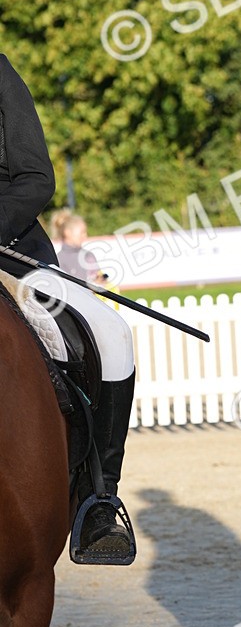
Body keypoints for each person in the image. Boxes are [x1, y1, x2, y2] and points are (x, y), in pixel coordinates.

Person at [0, 53, 136, 564]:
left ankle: (100, 498)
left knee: (112, 334)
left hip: (10, 253)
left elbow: (36, 178)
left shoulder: (1, 74)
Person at [57, 213, 106, 284]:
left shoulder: (89, 255)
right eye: (82, 232)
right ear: (67, 232)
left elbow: (99, 278)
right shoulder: (59, 259)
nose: (85, 236)